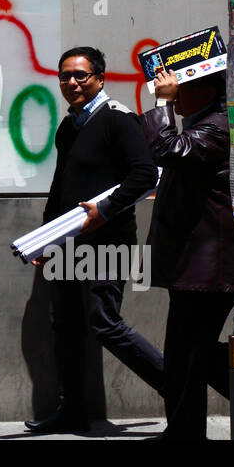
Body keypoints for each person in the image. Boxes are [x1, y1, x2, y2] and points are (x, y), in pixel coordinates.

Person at [26, 47, 165, 434]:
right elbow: (60, 188)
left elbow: (146, 175)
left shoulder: (119, 121)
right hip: (65, 242)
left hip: (110, 242)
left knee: (103, 321)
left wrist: (104, 210)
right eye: (65, 76)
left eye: (81, 76)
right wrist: (43, 238)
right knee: (65, 324)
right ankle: (72, 412)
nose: (72, 83)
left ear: (100, 79)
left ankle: (179, 390)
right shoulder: (69, 126)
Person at [141, 66, 234, 440]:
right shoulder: (205, 123)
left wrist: (161, 102)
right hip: (195, 268)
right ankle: (184, 431)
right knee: (185, 355)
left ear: (208, 90)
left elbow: (167, 150)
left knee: (191, 353)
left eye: (183, 87)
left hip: (208, 271)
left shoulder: (217, 126)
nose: (175, 93)